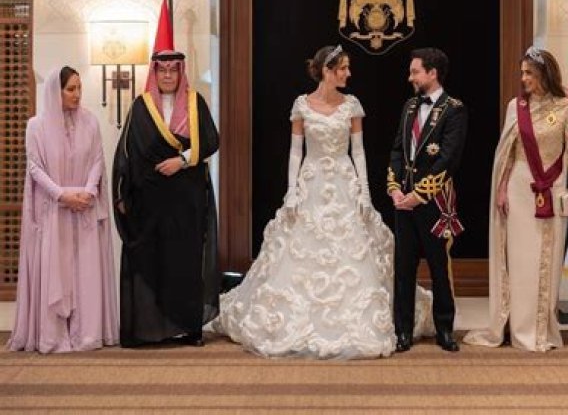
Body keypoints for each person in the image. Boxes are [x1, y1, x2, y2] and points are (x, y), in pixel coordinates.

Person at [208, 45, 433, 359]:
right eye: (343, 68)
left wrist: (365, 193)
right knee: (298, 248)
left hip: (344, 181)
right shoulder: (302, 105)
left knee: (355, 248)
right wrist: (291, 191)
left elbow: (358, 151)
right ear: (327, 70)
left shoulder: (351, 104)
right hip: (311, 182)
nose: (348, 73)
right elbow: (295, 152)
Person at [463, 46, 568, 352]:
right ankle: (515, 325)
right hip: (519, 187)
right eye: (522, 73)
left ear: (545, 73)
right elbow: (508, 152)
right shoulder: (515, 107)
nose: (524, 78)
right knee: (519, 260)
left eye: (529, 73)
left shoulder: (567, 108)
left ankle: (540, 328)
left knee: (545, 259)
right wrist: (501, 188)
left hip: (552, 188)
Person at [113, 50, 220, 347]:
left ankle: (188, 329)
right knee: (153, 260)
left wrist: (182, 160)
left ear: (181, 72)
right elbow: (127, 153)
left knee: (185, 262)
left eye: (173, 70)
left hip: (186, 200)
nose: (168, 75)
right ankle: (149, 330)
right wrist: (122, 194)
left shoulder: (195, 103)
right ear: (155, 73)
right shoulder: (141, 106)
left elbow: (211, 140)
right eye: (163, 70)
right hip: (150, 203)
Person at [8, 66, 118, 353]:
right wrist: (62, 195)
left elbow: (98, 160)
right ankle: (53, 335)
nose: (77, 94)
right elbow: (35, 168)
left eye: (79, 88)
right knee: (57, 272)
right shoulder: (36, 126)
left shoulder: (91, 122)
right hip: (54, 210)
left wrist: (89, 191)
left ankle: (87, 334)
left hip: (85, 207)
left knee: (85, 273)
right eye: (71, 89)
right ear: (55, 91)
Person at [388, 47, 468, 353]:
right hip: (403, 200)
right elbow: (398, 149)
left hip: (433, 202)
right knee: (403, 268)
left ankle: (444, 328)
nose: (410, 77)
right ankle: (403, 330)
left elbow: (449, 159)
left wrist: (419, 195)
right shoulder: (410, 106)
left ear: (432, 73)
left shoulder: (454, 109)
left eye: (415, 72)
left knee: (439, 268)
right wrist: (395, 188)